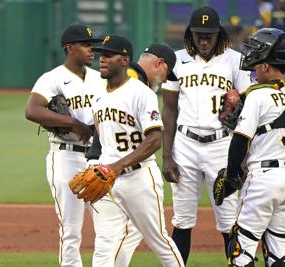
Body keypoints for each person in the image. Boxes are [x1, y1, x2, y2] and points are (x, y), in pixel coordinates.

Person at [162, 6, 252, 265]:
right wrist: (167, 156)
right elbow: (168, 111)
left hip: (221, 145)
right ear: (190, 34)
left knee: (228, 221)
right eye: (198, 34)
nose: (203, 40)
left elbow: (250, 105)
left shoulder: (235, 60)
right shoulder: (177, 60)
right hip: (185, 145)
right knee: (182, 220)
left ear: (218, 34)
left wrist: (243, 154)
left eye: (209, 35)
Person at [218, 27, 285, 267]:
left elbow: (240, 140)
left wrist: (232, 174)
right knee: (279, 253)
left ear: (265, 65)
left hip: (264, 180)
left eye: (256, 61)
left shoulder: (257, 96)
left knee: (241, 250)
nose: (252, 67)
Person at [90, 35, 184, 267]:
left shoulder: (142, 92)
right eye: (101, 54)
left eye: (108, 55)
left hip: (138, 178)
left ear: (124, 60)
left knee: (159, 240)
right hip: (106, 177)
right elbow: (102, 136)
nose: (102, 59)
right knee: (104, 246)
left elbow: (154, 140)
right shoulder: (99, 94)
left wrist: (116, 165)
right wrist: (95, 164)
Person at [25, 24, 103, 267]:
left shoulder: (100, 76)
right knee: (71, 230)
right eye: (86, 45)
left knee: (109, 226)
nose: (92, 50)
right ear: (70, 48)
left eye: (93, 45)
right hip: (66, 157)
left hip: (98, 157)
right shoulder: (52, 78)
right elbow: (32, 110)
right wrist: (71, 122)